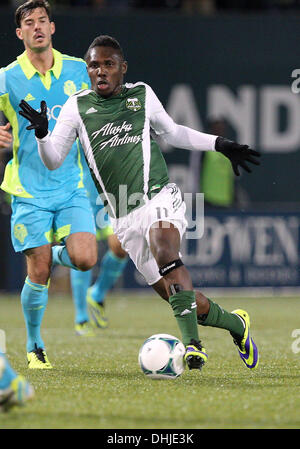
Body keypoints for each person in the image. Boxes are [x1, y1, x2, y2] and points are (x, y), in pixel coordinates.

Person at [19, 35, 261, 371]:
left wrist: (219, 144)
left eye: (108, 64)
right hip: (122, 215)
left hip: (158, 196)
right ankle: (237, 325)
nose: (100, 71)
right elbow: (53, 160)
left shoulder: (141, 95)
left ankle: (193, 346)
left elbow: (173, 132)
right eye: (93, 65)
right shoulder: (78, 106)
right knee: (180, 298)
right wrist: (43, 135)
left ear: (122, 68)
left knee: (166, 250)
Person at [0, 0, 99, 369]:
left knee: (85, 258)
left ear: (53, 28)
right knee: (38, 271)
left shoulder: (78, 69)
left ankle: (47, 253)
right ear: (20, 33)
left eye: (43, 20)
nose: (38, 26)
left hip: (71, 185)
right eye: (30, 22)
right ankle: (34, 343)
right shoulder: (8, 77)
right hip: (29, 190)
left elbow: (103, 106)